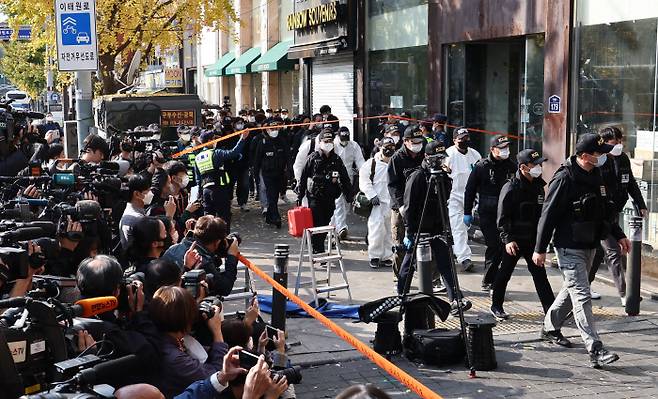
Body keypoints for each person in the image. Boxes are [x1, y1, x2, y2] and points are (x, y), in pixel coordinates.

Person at [532, 133, 629, 368]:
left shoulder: (597, 174)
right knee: (582, 296)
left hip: (590, 244)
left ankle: (549, 327)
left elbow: (605, 210)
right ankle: (595, 348)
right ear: (585, 156)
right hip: (568, 246)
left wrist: (619, 235)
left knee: (571, 290)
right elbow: (548, 215)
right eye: (600, 153)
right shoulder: (564, 178)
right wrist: (540, 248)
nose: (604, 156)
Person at [399, 140, 472, 315]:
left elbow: (444, 199)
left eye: (441, 158)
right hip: (419, 227)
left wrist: (445, 176)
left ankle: (456, 298)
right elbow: (409, 206)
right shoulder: (417, 176)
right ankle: (400, 296)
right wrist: (409, 231)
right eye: (435, 158)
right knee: (409, 265)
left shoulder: (442, 176)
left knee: (445, 262)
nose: (439, 162)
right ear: (426, 157)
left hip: (437, 227)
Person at [490, 149, 555, 320]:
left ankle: (551, 310)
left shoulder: (539, 185)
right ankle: (496, 305)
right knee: (504, 273)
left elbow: (542, 215)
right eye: (535, 165)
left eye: (539, 164)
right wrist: (508, 239)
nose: (539, 167)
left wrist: (543, 241)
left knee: (540, 275)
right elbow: (502, 217)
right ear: (523, 167)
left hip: (532, 240)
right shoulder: (511, 187)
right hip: (514, 240)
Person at [589, 126, 648, 305]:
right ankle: (625, 294)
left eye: (620, 142)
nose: (618, 146)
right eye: (614, 143)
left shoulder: (622, 159)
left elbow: (630, 182)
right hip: (599, 214)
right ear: (604, 143)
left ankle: (584, 284)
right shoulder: (599, 161)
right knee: (614, 251)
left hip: (614, 212)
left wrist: (641, 204)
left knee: (598, 253)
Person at [148, 286, 227, 398]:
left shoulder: (158, 336)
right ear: (187, 319)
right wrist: (217, 332)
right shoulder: (175, 358)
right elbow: (217, 377)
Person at [463, 135, 516, 290]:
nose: (506, 151)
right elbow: (470, 190)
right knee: (494, 246)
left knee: (502, 247)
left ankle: (493, 280)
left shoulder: (511, 166)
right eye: (502, 148)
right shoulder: (481, 166)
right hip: (487, 213)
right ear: (493, 150)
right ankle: (489, 280)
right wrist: (467, 212)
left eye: (507, 147)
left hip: (505, 214)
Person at [297, 129, 353, 253]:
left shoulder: (336, 160)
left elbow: (344, 178)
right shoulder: (313, 158)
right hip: (315, 197)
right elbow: (303, 177)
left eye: (330, 141)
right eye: (326, 141)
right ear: (320, 142)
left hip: (330, 198)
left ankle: (317, 245)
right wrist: (300, 196)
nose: (328, 143)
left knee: (325, 222)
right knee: (318, 223)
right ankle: (319, 249)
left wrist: (349, 195)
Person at [164, 215, 240, 297]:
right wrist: (231, 257)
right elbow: (224, 288)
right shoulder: (201, 260)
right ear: (217, 242)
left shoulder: (173, 249)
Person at [387, 125, 425, 276]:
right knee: (401, 244)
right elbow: (393, 185)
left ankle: (432, 277)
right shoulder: (397, 158)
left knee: (428, 242)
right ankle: (400, 276)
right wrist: (401, 206)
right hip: (401, 207)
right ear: (406, 141)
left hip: (421, 205)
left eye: (419, 141)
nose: (417, 145)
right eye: (414, 141)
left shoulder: (424, 154)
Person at [195, 129, 248, 231]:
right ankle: (224, 240)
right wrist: (242, 139)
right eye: (214, 139)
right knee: (223, 218)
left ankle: (208, 240)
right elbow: (233, 153)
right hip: (219, 189)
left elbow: (198, 179)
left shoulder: (198, 157)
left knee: (208, 220)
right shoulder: (216, 153)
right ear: (210, 140)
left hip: (205, 190)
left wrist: (200, 195)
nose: (216, 141)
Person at [445, 128, 481, 273]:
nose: (464, 141)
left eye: (466, 138)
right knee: (458, 227)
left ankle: (456, 249)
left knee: (464, 228)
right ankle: (464, 258)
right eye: (461, 138)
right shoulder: (448, 155)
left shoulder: (474, 154)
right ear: (454, 140)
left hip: (470, 196)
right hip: (453, 196)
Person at [360, 137, 395, 269]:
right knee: (376, 229)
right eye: (387, 146)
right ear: (380, 147)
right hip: (377, 203)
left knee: (390, 231)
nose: (389, 149)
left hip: (391, 203)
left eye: (392, 147)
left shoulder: (395, 162)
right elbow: (364, 180)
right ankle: (374, 256)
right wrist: (371, 195)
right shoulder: (371, 164)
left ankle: (387, 256)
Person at [253, 119, 288, 228]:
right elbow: (257, 161)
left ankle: (269, 216)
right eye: (272, 129)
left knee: (274, 196)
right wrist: (256, 176)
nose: (274, 130)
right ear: (267, 130)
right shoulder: (262, 143)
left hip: (280, 173)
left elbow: (287, 157)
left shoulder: (282, 141)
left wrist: (289, 172)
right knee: (271, 195)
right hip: (267, 174)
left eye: (276, 128)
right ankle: (276, 217)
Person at [332, 126, 365, 239]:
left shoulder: (353, 145)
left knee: (346, 203)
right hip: (335, 177)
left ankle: (336, 226)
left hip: (348, 177)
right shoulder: (333, 144)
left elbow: (360, 161)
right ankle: (340, 227)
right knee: (338, 202)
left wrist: (364, 173)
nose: (344, 142)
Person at [120, 175, 152, 249]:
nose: (151, 193)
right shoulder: (136, 218)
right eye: (147, 190)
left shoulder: (136, 212)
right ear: (137, 194)